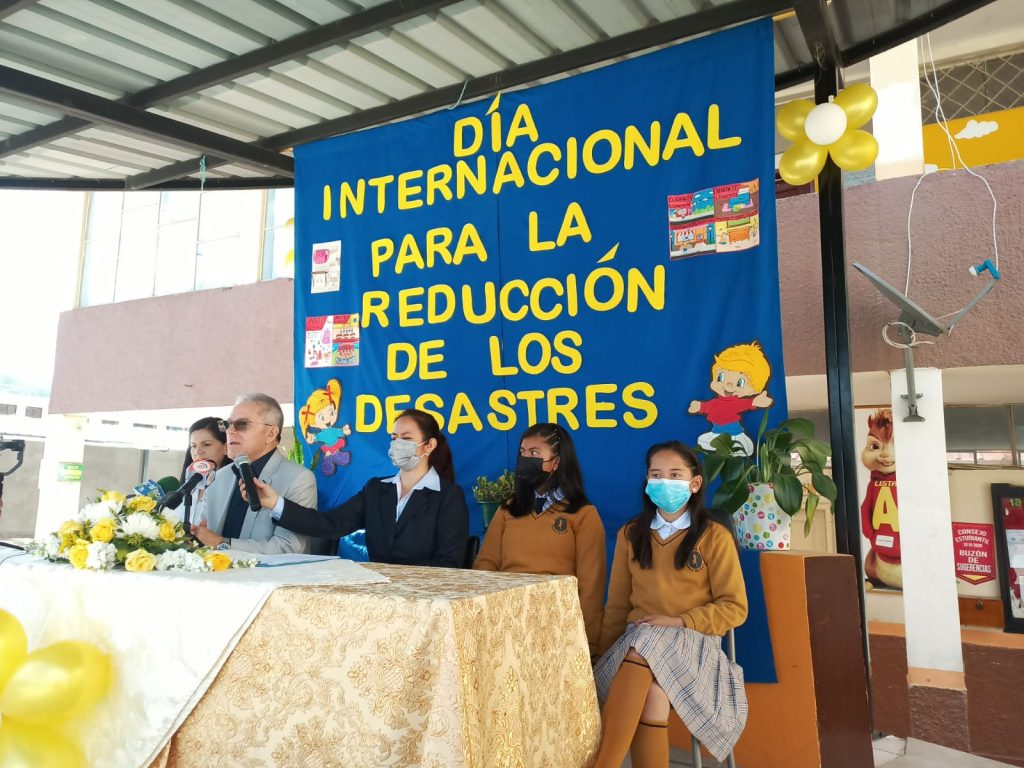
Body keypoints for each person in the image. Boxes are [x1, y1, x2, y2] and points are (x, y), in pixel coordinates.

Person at [592, 441, 748, 768]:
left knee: (644, 640)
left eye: (675, 474)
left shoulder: (713, 536)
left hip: (694, 644)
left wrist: (679, 621)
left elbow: (735, 607)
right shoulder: (630, 535)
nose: (665, 481)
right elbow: (618, 605)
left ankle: (604, 764)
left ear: (695, 483)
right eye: (656, 474)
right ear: (647, 483)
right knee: (653, 693)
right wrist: (602, 656)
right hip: (638, 644)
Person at [251, 408, 468, 567]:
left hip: (426, 602)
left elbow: (449, 563)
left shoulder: (448, 497)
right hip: (381, 596)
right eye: (394, 438)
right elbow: (331, 524)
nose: (396, 444)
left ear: (429, 445)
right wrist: (275, 503)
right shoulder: (376, 490)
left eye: (406, 438)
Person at [474, 423, 606, 655]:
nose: (526, 459)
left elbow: (590, 587)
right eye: (523, 453)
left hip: (556, 622)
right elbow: (486, 564)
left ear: (557, 461)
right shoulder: (508, 509)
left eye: (535, 453)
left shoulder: (583, 514)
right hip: (506, 616)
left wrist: (588, 641)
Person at [191, 393, 317, 555]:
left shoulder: (298, 478)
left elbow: (288, 546)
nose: (230, 431)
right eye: (227, 424)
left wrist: (223, 544)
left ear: (271, 434)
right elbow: (205, 533)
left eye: (242, 424)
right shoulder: (218, 477)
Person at [178, 416, 231, 482]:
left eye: (206, 444)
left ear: (226, 448)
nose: (197, 452)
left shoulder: (239, 484)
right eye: (194, 446)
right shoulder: (188, 485)